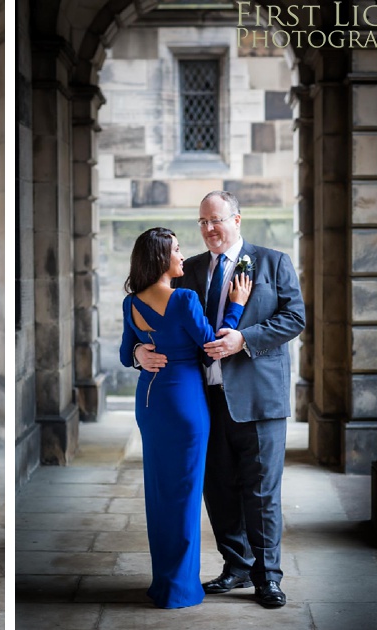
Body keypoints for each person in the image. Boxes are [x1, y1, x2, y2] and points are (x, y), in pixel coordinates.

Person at [135, 191, 306, 608]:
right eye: (203, 222)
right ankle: (237, 566)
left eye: (217, 220)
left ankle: (268, 578)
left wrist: (244, 339)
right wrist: (138, 352)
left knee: (262, 491)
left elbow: (294, 317)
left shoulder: (272, 262)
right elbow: (155, 318)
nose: (210, 229)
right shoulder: (188, 269)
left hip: (259, 399)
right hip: (201, 399)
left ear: (237, 219)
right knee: (218, 488)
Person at [120, 227, 252, 609]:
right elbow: (212, 346)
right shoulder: (184, 299)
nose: (182, 255)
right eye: (176, 250)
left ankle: (164, 581)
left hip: (149, 402)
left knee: (161, 494)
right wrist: (236, 306)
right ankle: (179, 589)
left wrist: (139, 355)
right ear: (161, 258)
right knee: (185, 496)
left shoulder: (131, 303)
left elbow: (124, 353)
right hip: (185, 404)